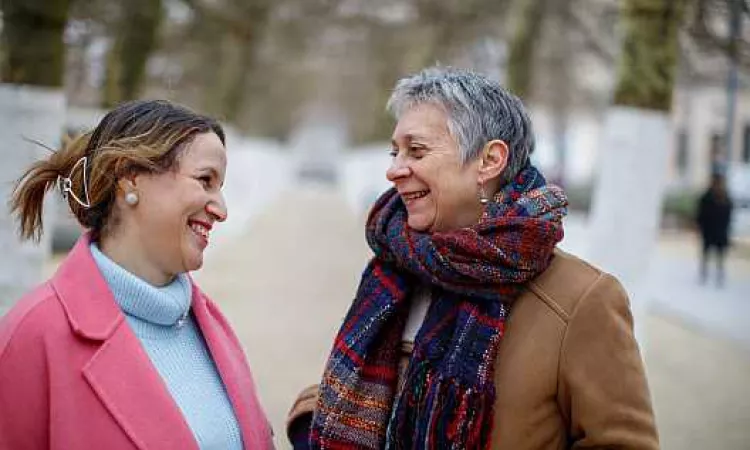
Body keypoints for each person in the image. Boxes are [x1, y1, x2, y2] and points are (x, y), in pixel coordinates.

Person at [286, 67, 659, 449]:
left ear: (489, 161)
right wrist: (311, 421)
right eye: (394, 151)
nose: (394, 169)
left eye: (416, 150)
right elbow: (370, 391)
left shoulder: (583, 300)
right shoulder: (394, 269)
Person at [0, 100, 273, 449]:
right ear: (130, 177)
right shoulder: (33, 335)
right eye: (205, 180)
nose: (222, 209)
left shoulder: (213, 327)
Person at [697, 173, 733, 287]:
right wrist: (701, 227)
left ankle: (719, 274)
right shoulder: (707, 197)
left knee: (720, 255)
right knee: (706, 253)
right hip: (709, 231)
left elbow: (729, 214)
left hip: (720, 231)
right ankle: (704, 273)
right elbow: (701, 214)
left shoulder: (725, 198)